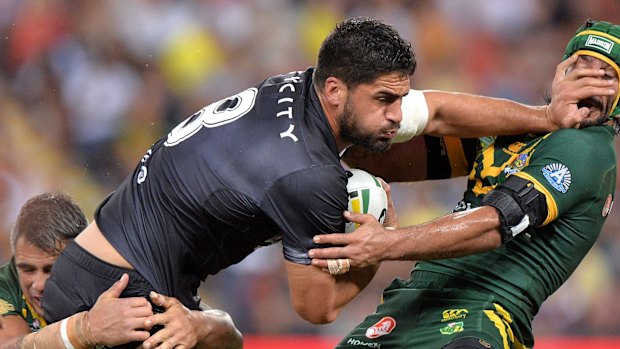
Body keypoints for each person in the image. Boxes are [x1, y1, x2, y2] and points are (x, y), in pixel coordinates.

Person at [41, 15, 614, 341]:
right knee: (224, 333)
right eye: (385, 101)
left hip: (101, 268)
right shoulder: (309, 177)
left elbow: (435, 113)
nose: (397, 115)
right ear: (338, 91)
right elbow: (316, 308)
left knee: (222, 333)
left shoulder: (296, 86)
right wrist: (375, 240)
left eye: (399, 98)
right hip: (127, 300)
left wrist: (544, 116)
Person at [308, 19, 620, 349]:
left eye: (607, 75)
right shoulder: (515, 129)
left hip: (482, 312)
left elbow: (498, 222)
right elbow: (366, 155)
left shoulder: (588, 149)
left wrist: (387, 242)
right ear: (561, 73)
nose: (591, 83)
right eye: (582, 66)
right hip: (409, 303)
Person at [0, 192, 242, 349]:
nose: (39, 284)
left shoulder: (114, 276)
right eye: (27, 269)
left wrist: (194, 324)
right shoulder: (5, 285)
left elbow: (233, 338)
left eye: (51, 269)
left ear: (80, 257)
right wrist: (87, 328)